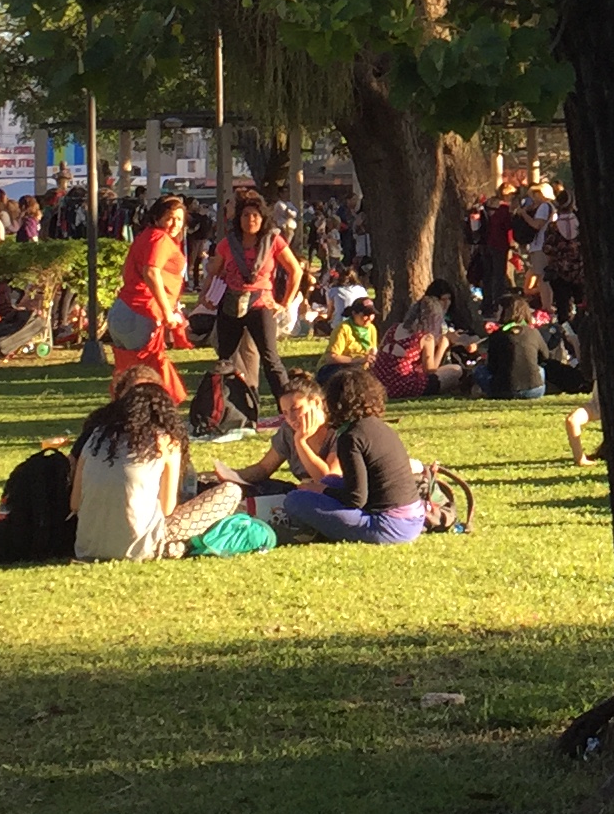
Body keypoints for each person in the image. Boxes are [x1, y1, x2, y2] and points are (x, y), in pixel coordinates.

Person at [67, 380, 241, 560]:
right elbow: (167, 509)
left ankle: (175, 547)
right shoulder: (166, 443)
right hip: (140, 547)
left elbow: (75, 503)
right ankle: (176, 547)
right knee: (231, 492)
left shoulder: (95, 438)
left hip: (86, 548)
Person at [266, 362, 429, 543]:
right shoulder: (378, 427)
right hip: (412, 518)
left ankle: (309, 528)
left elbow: (356, 498)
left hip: (387, 525)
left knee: (295, 500)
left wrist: (322, 490)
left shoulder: (350, 437)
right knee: (330, 480)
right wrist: (326, 487)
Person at [198, 189, 302, 433]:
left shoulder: (273, 240)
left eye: (255, 215)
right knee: (225, 360)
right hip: (231, 305)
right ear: (239, 219)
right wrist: (205, 297)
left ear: (262, 217)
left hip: (261, 305)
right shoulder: (227, 244)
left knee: (271, 359)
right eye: (245, 215)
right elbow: (214, 272)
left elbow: (295, 271)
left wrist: (284, 302)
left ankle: (287, 412)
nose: (250, 220)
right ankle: (226, 411)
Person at [107, 198, 195, 404]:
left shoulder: (145, 236)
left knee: (127, 371)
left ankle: (123, 413)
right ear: (157, 217)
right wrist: (167, 313)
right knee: (146, 373)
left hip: (122, 310)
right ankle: (151, 412)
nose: (175, 224)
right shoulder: (159, 239)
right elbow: (151, 272)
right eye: (169, 218)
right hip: (141, 312)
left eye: (179, 219)